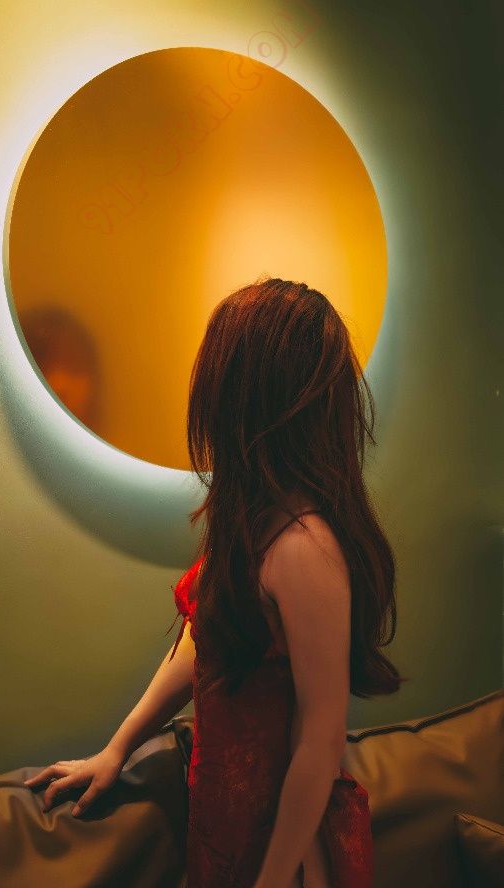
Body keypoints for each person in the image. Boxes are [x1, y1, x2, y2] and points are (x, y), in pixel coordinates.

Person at [24, 277, 407, 886]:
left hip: (284, 843)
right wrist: (116, 749)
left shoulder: (304, 548)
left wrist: (272, 878)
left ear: (246, 397)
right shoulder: (255, 519)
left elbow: (319, 740)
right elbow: (206, 640)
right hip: (229, 823)